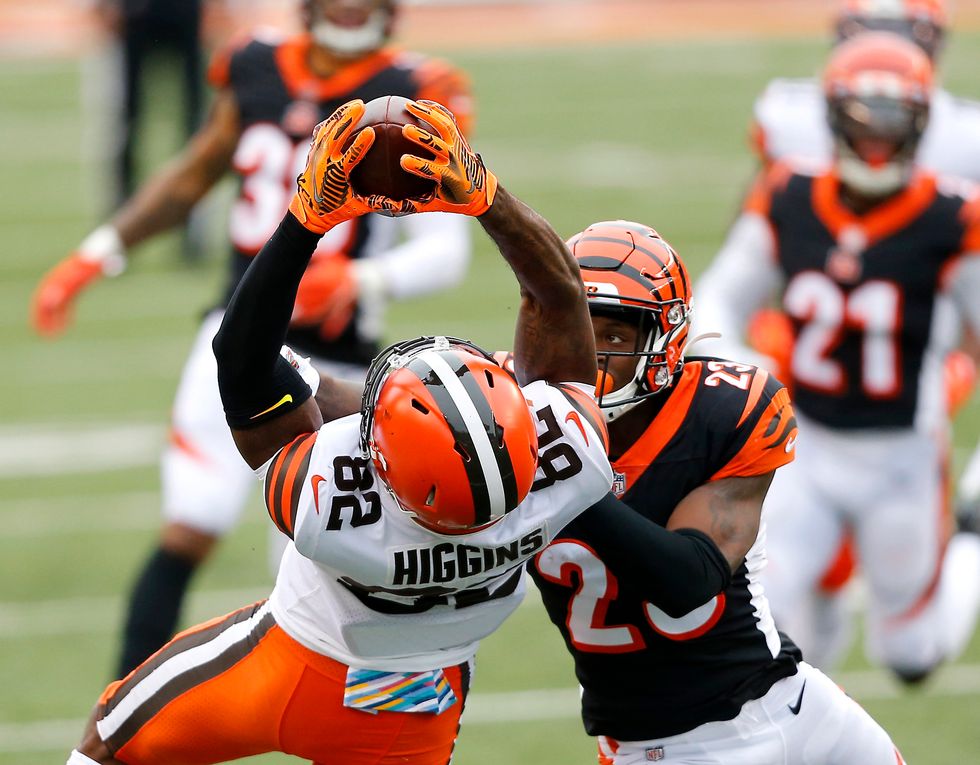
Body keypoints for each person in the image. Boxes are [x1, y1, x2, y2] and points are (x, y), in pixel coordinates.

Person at [65, 97, 613, 765]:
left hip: (291, 672)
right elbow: (560, 297)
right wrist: (487, 198)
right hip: (421, 705)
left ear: (373, 454)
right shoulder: (571, 461)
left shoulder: (328, 503)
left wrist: (307, 218)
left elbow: (239, 354)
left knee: (108, 739)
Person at [31, 0, 474, 679]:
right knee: (190, 522)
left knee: (318, 563)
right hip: (234, 344)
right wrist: (96, 254)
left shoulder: (415, 91)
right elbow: (193, 174)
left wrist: (362, 277)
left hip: (337, 362)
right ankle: (123, 711)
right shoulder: (255, 63)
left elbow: (446, 249)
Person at [523, 220, 904, 764]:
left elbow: (689, 581)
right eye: (580, 331)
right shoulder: (508, 428)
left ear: (663, 341)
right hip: (664, 747)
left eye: (615, 336)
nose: (593, 355)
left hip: (795, 701)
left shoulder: (721, 410)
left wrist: (571, 478)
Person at [693, 32, 980, 683]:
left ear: (922, 124)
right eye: (862, 120)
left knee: (910, 657)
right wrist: (744, 367)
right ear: (831, 117)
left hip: (903, 457)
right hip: (808, 445)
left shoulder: (954, 218)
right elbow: (718, 298)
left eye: (893, 121)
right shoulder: (788, 194)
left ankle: (972, 542)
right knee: (764, 621)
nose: (876, 138)